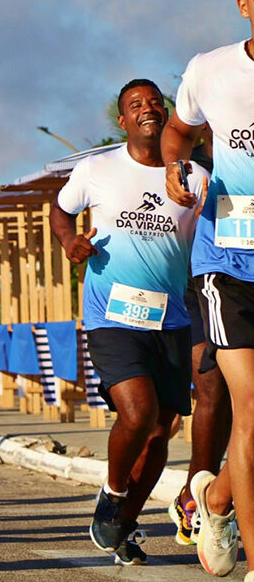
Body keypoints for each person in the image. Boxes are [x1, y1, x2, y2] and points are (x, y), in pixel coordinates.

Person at [51, 79, 206, 566]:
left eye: (155, 102)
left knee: (161, 429)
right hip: (111, 314)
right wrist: (70, 243)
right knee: (137, 413)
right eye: (135, 105)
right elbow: (59, 211)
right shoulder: (97, 168)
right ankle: (113, 493)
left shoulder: (194, 177)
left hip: (171, 317)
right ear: (123, 121)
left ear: (166, 113)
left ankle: (124, 524)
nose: (148, 109)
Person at [162, 0, 254, 575]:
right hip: (230, 259)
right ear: (245, 4)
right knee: (251, 405)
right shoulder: (211, 69)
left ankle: (215, 497)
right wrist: (176, 167)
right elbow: (178, 135)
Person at [168, 127, 231, 549]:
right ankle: (197, 499)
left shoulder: (236, 171)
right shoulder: (186, 171)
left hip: (240, 279)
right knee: (211, 388)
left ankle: (207, 492)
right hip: (197, 285)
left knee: (232, 395)